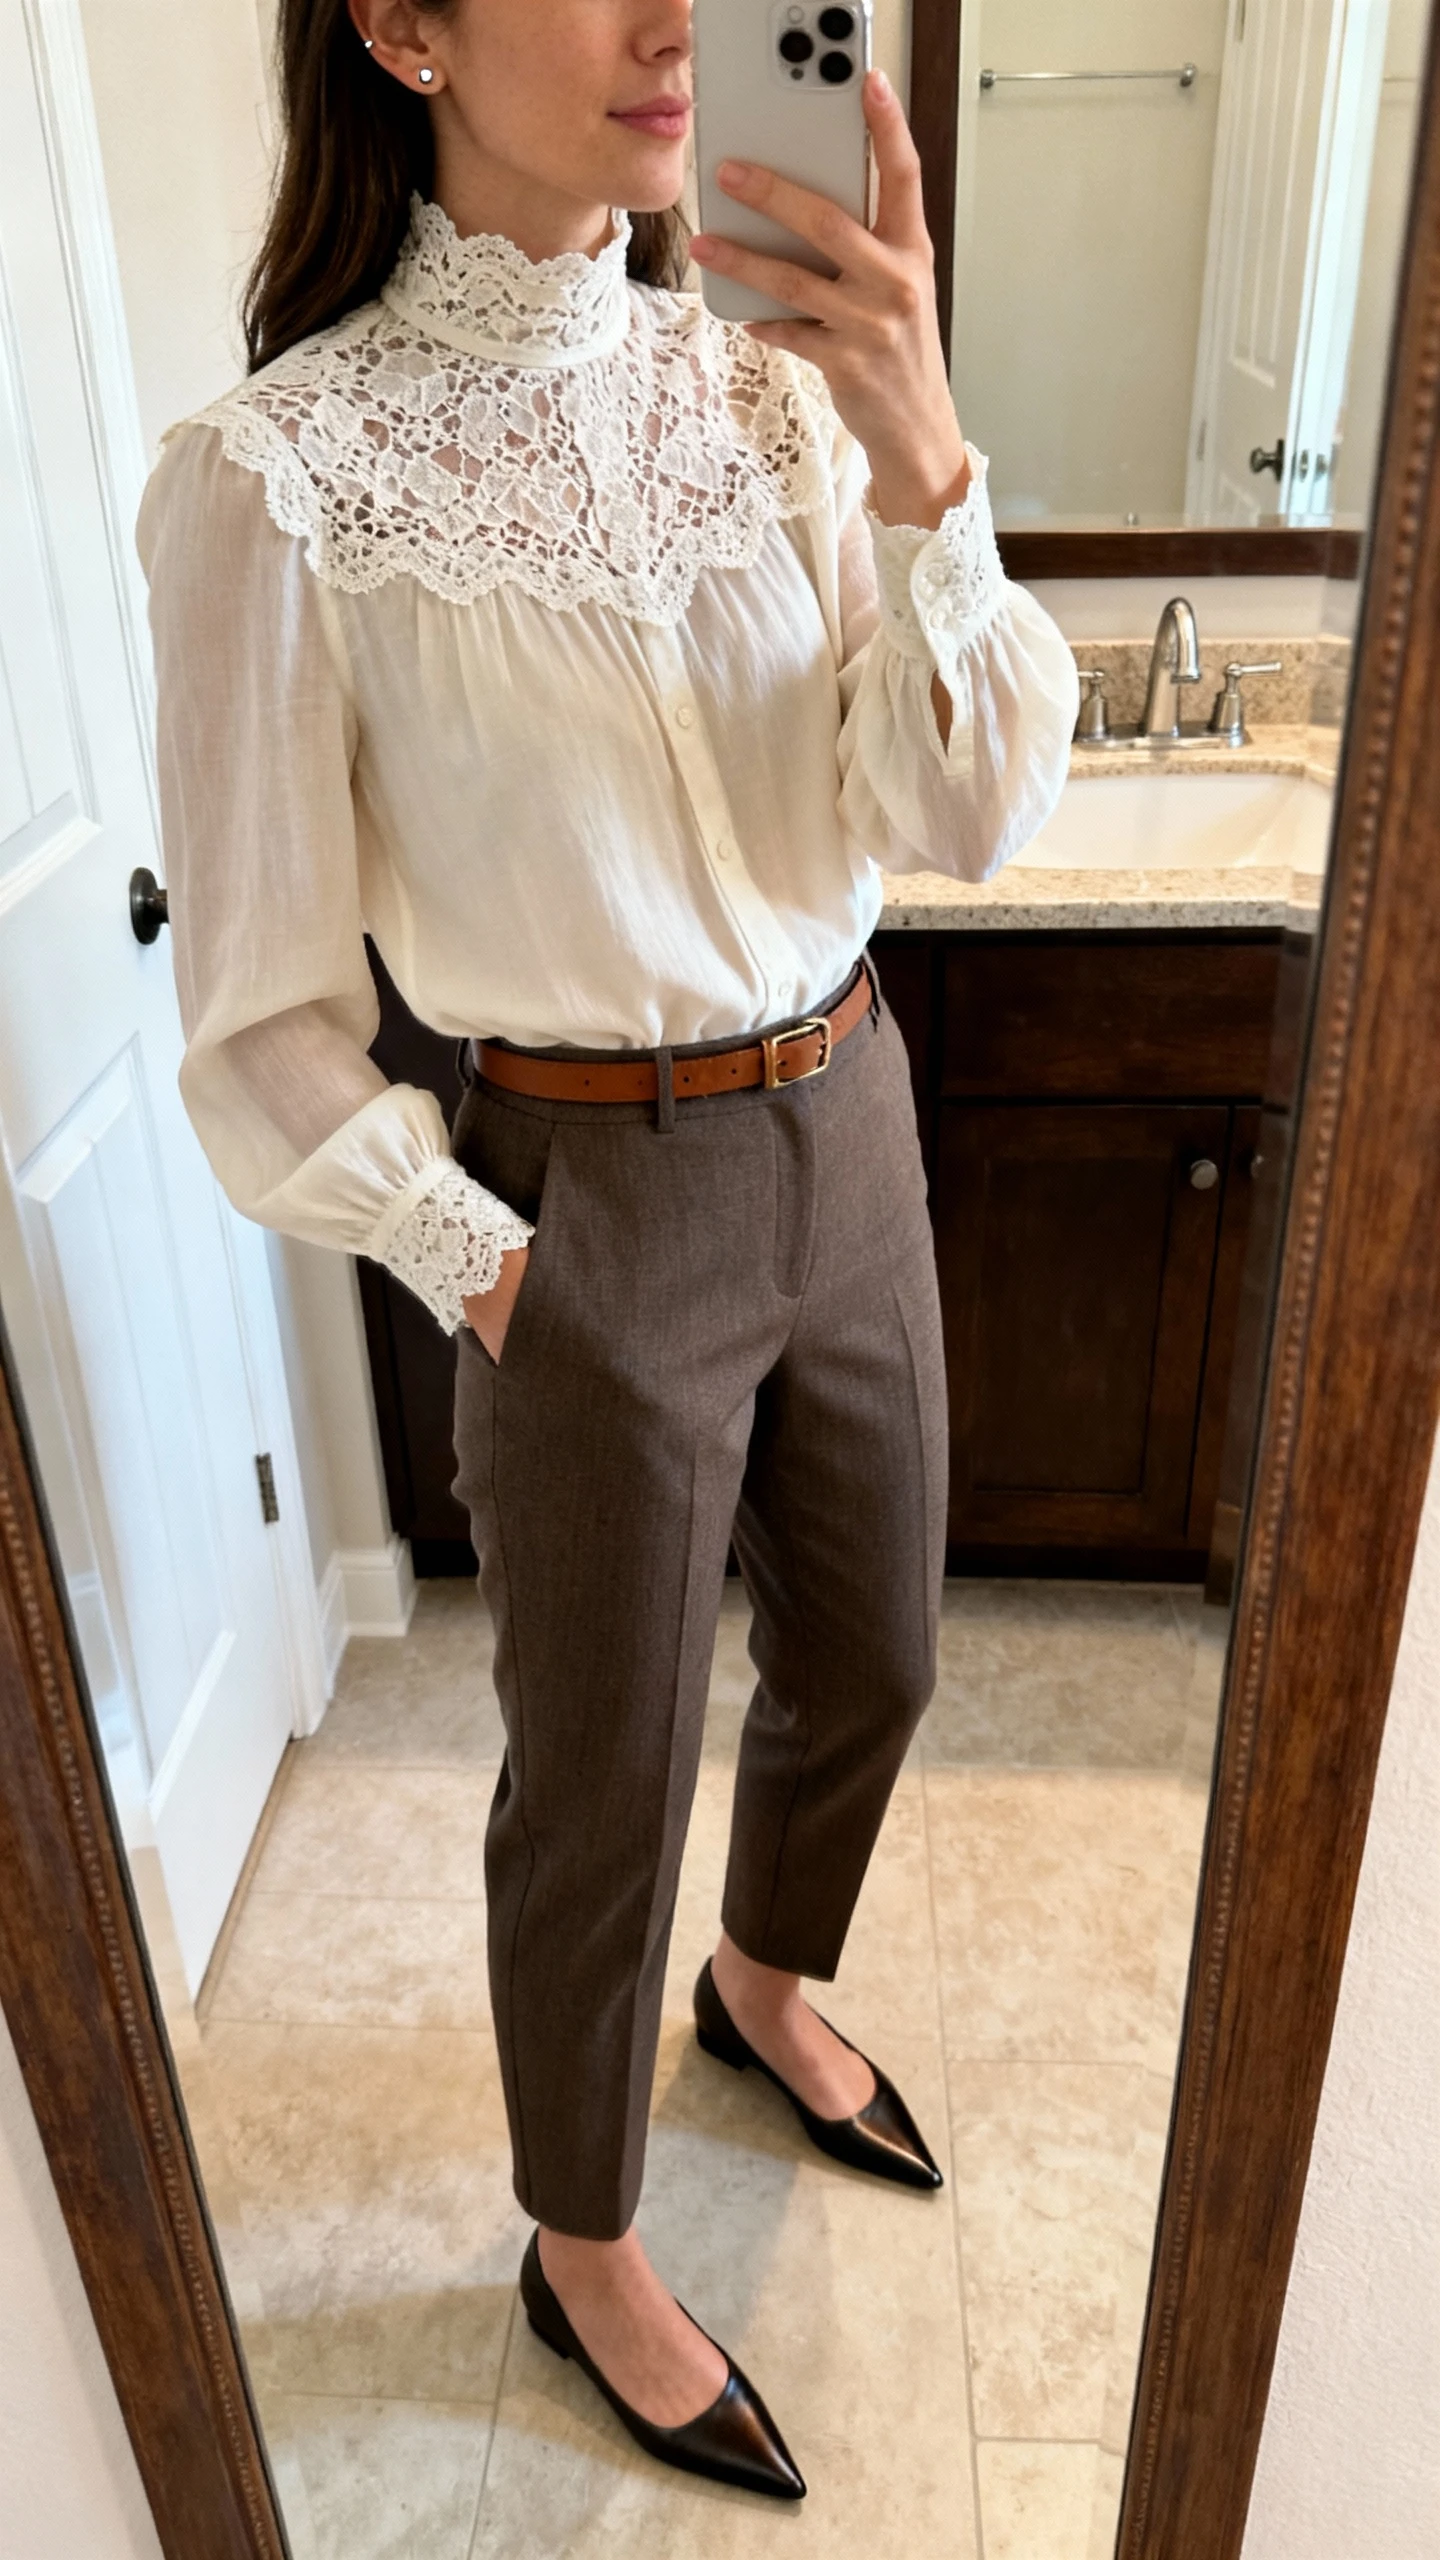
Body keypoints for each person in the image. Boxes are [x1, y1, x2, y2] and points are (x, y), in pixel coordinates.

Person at [137, 0, 1078, 2501]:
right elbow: (254, 1018)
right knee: (598, 1775)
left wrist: (929, 463)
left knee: (877, 1645)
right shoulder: (281, 479)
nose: (686, 22)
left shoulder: (768, 395)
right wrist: (497, 1270)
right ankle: (580, 2239)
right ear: (406, 27)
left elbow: (952, 809)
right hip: (584, 1195)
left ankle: (765, 1981)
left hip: (850, 1110)